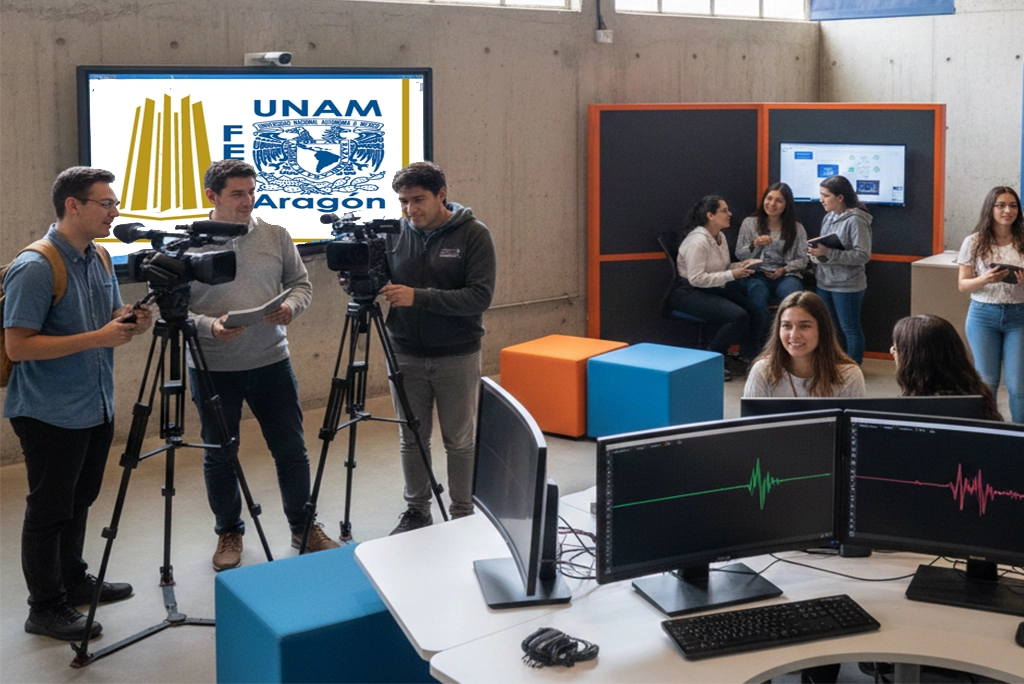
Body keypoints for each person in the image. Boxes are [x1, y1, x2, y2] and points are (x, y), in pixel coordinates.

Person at [3, 167, 153, 640]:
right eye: (105, 203)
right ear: (73, 205)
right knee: (49, 509)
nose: (115, 211)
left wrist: (129, 319)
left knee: (79, 499)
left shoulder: (101, 257)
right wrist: (100, 336)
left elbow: (108, 317)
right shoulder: (36, 266)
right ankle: (44, 607)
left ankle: (73, 581)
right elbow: (18, 346)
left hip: (95, 405)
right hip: (48, 411)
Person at [188, 159, 337, 572]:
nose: (248, 201)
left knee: (291, 451)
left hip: (272, 362)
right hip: (212, 368)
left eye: (252, 192)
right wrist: (209, 326)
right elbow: (171, 310)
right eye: (238, 194)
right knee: (220, 454)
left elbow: (301, 283)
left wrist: (291, 306)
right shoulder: (185, 243)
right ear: (211, 197)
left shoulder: (275, 235)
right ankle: (229, 531)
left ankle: (303, 526)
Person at [381, 161, 497, 534]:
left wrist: (418, 297)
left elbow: (479, 297)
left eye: (418, 200)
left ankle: (463, 513)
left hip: (456, 353)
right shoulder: (395, 233)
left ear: (441, 195)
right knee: (411, 437)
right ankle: (417, 510)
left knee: (459, 439)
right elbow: (377, 281)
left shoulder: (474, 235)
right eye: (403, 202)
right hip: (403, 351)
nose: (410, 210)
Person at [671, 195, 764, 380]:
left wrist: (740, 266)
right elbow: (696, 279)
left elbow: (719, 268)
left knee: (754, 309)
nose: (730, 214)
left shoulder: (719, 236)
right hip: (688, 292)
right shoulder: (697, 242)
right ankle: (712, 359)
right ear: (710, 216)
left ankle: (748, 355)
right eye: (724, 211)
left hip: (708, 287)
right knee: (738, 317)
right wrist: (732, 275)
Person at [955, 186, 1024, 423]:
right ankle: (991, 434)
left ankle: (1019, 437)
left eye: (1013, 205)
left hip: (1019, 315)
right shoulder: (974, 242)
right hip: (983, 316)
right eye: (1001, 205)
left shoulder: (1023, 239)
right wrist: (985, 278)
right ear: (990, 209)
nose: (1008, 210)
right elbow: (963, 285)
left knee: (1018, 386)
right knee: (987, 382)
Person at [744, 291, 865, 397]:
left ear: (823, 329)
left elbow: (851, 423)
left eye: (804, 326)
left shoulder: (849, 374)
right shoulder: (762, 370)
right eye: (786, 326)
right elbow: (751, 422)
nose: (794, 335)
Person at [735, 182, 809, 350]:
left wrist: (784, 269)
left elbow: (803, 259)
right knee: (757, 301)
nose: (772, 204)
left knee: (793, 300)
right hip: (757, 273)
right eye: (769, 199)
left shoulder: (797, 228)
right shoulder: (750, 223)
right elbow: (740, 254)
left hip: (787, 274)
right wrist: (754, 245)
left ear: (787, 204)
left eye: (779, 201)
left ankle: (789, 347)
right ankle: (751, 351)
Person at [807, 175, 872, 364]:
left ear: (840, 197)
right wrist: (817, 253)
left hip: (847, 285)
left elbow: (862, 255)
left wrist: (829, 252)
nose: (821, 200)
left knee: (850, 328)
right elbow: (826, 249)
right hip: (824, 281)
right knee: (831, 328)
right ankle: (836, 365)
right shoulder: (828, 217)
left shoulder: (856, 220)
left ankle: (853, 367)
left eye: (825, 195)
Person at [891, 314, 1003, 421]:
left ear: (916, 361)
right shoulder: (977, 392)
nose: (891, 351)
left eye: (896, 349)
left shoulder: (919, 408)